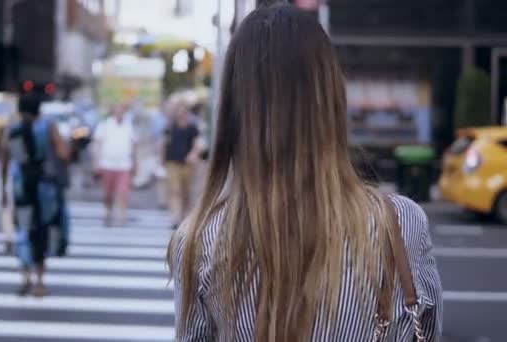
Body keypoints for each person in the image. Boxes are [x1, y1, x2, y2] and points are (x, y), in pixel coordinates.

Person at [168, 4, 442, 342]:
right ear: (331, 99)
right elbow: (427, 332)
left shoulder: (199, 240)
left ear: (235, 111)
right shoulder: (400, 224)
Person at [0, 93, 69, 297]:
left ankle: (24, 276)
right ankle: (40, 282)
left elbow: (3, 159)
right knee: (41, 232)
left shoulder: (12, 129)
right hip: (45, 188)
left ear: (20, 109)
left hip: (21, 187)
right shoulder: (48, 127)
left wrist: (4, 189)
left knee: (23, 229)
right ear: (40, 108)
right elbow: (64, 154)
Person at [92, 103, 137, 226]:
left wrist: (135, 163)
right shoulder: (105, 125)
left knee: (123, 191)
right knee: (107, 193)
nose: (120, 112)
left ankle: (122, 215)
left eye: (122, 110)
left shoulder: (128, 126)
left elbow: (133, 146)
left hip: (124, 165)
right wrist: (96, 162)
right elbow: (97, 144)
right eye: (118, 110)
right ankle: (108, 211)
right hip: (107, 164)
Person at [164, 102, 202, 229]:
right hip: (172, 163)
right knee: (175, 191)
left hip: (188, 165)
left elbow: (198, 144)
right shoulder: (170, 128)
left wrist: (193, 154)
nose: (181, 115)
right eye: (179, 112)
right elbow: (164, 144)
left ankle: (184, 216)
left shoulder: (192, 128)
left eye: (184, 112)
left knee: (186, 192)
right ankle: (175, 218)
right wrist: (161, 160)